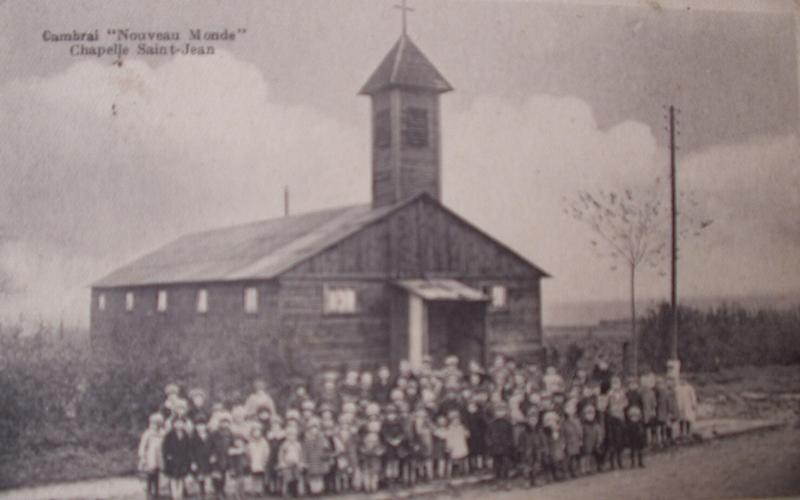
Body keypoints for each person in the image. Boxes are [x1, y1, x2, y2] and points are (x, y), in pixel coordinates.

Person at [162, 418, 193, 500]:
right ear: (173, 424)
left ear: (184, 424)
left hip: (183, 459)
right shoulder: (169, 435)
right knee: (173, 478)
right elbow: (165, 448)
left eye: (181, 423)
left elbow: (189, 448)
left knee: (181, 477)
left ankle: (179, 495)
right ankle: (174, 495)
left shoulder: (186, 435)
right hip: (172, 459)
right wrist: (167, 456)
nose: (179, 425)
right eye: (177, 423)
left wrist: (189, 459)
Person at [486, 403, 514, 490]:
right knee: (496, 466)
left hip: (505, 449)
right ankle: (497, 482)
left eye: (502, 411)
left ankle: (506, 482)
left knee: (505, 466)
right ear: (495, 412)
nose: (500, 413)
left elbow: (511, 435)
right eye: (498, 411)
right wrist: (490, 444)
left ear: (505, 412)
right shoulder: (491, 423)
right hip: (495, 449)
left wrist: (509, 444)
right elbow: (488, 435)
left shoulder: (508, 423)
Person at [138, 413, 165, 499]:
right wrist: (142, 457)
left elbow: (164, 444)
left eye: (155, 424)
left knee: (157, 474)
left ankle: (156, 491)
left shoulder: (162, 433)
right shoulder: (147, 433)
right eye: (152, 423)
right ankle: (149, 491)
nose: (153, 426)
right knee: (150, 474)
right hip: (150, 455)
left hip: (159, 456)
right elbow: (142, 446)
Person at [190, 419, 213, 498]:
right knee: (200, 477)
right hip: (198, 460)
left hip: (208, 460)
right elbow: (191, 451)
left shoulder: (210, 436)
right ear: (195, 427)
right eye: (198, 426)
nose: (200, 428)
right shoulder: (193, 438)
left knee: (208, 477)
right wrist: (193, 462)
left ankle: (208, 493)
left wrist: (213, 455)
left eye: (202, 425)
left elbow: (213, 447)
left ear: (206, 426)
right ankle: (201, 493)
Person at [444, 409, 470, 477]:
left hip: (461, 445)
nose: (456, 422)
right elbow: (448, 438)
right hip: (454, 446)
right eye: (454, 421)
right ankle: (452, 472)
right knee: (454, 460)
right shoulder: (450, 428)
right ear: (451, 421)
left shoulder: (461, 427)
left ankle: (464, 471)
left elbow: (467, 435)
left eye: (458, 421)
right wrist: (449, 446)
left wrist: (466, 431)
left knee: (463, 458)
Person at [248, 423, 271, 496]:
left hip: (260, 461)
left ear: (261, 432)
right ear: (252, 432)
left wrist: (265, 460)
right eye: (255, 431)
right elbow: (248, 451)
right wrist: (249, 459)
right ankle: (254, 490)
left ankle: (259, 490)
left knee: (260, 476)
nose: (256, 433)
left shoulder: (264, 441)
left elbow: (267, 451)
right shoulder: (250, 441)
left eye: (258, 431)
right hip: (253, 461)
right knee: (254, 476)